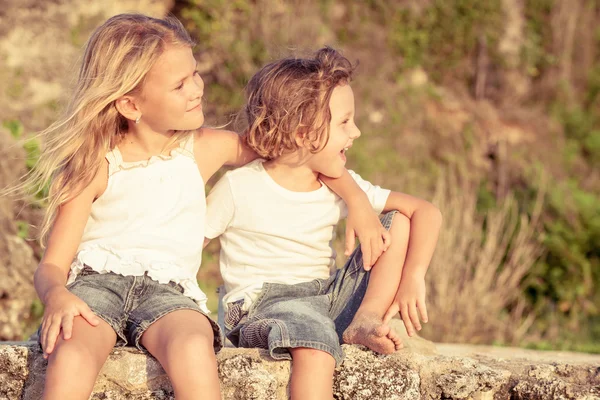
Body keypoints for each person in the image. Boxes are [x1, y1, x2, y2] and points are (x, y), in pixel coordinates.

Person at [17, 14, 386, 400]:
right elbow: (53, 265)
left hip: (170, 293)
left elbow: (295, 150)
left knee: (194, 347)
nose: (197, 88)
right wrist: (58, 295)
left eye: (195, 73)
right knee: (72, 353)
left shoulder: (205, 147)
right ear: (130, 103)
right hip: (96, 286)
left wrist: (357, 198)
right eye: (180, 84)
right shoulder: (95, 162)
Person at [204, 47, 443, 399]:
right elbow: (189, 240)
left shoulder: (337, 183)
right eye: (345, 122)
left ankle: (365, 320)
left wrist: (413, 277)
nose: (357, 132)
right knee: (314, 344)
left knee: (397, 222)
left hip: (325, 296)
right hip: (263, 307)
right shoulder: (239, 187)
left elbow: (426, 211)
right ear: (304, 134)